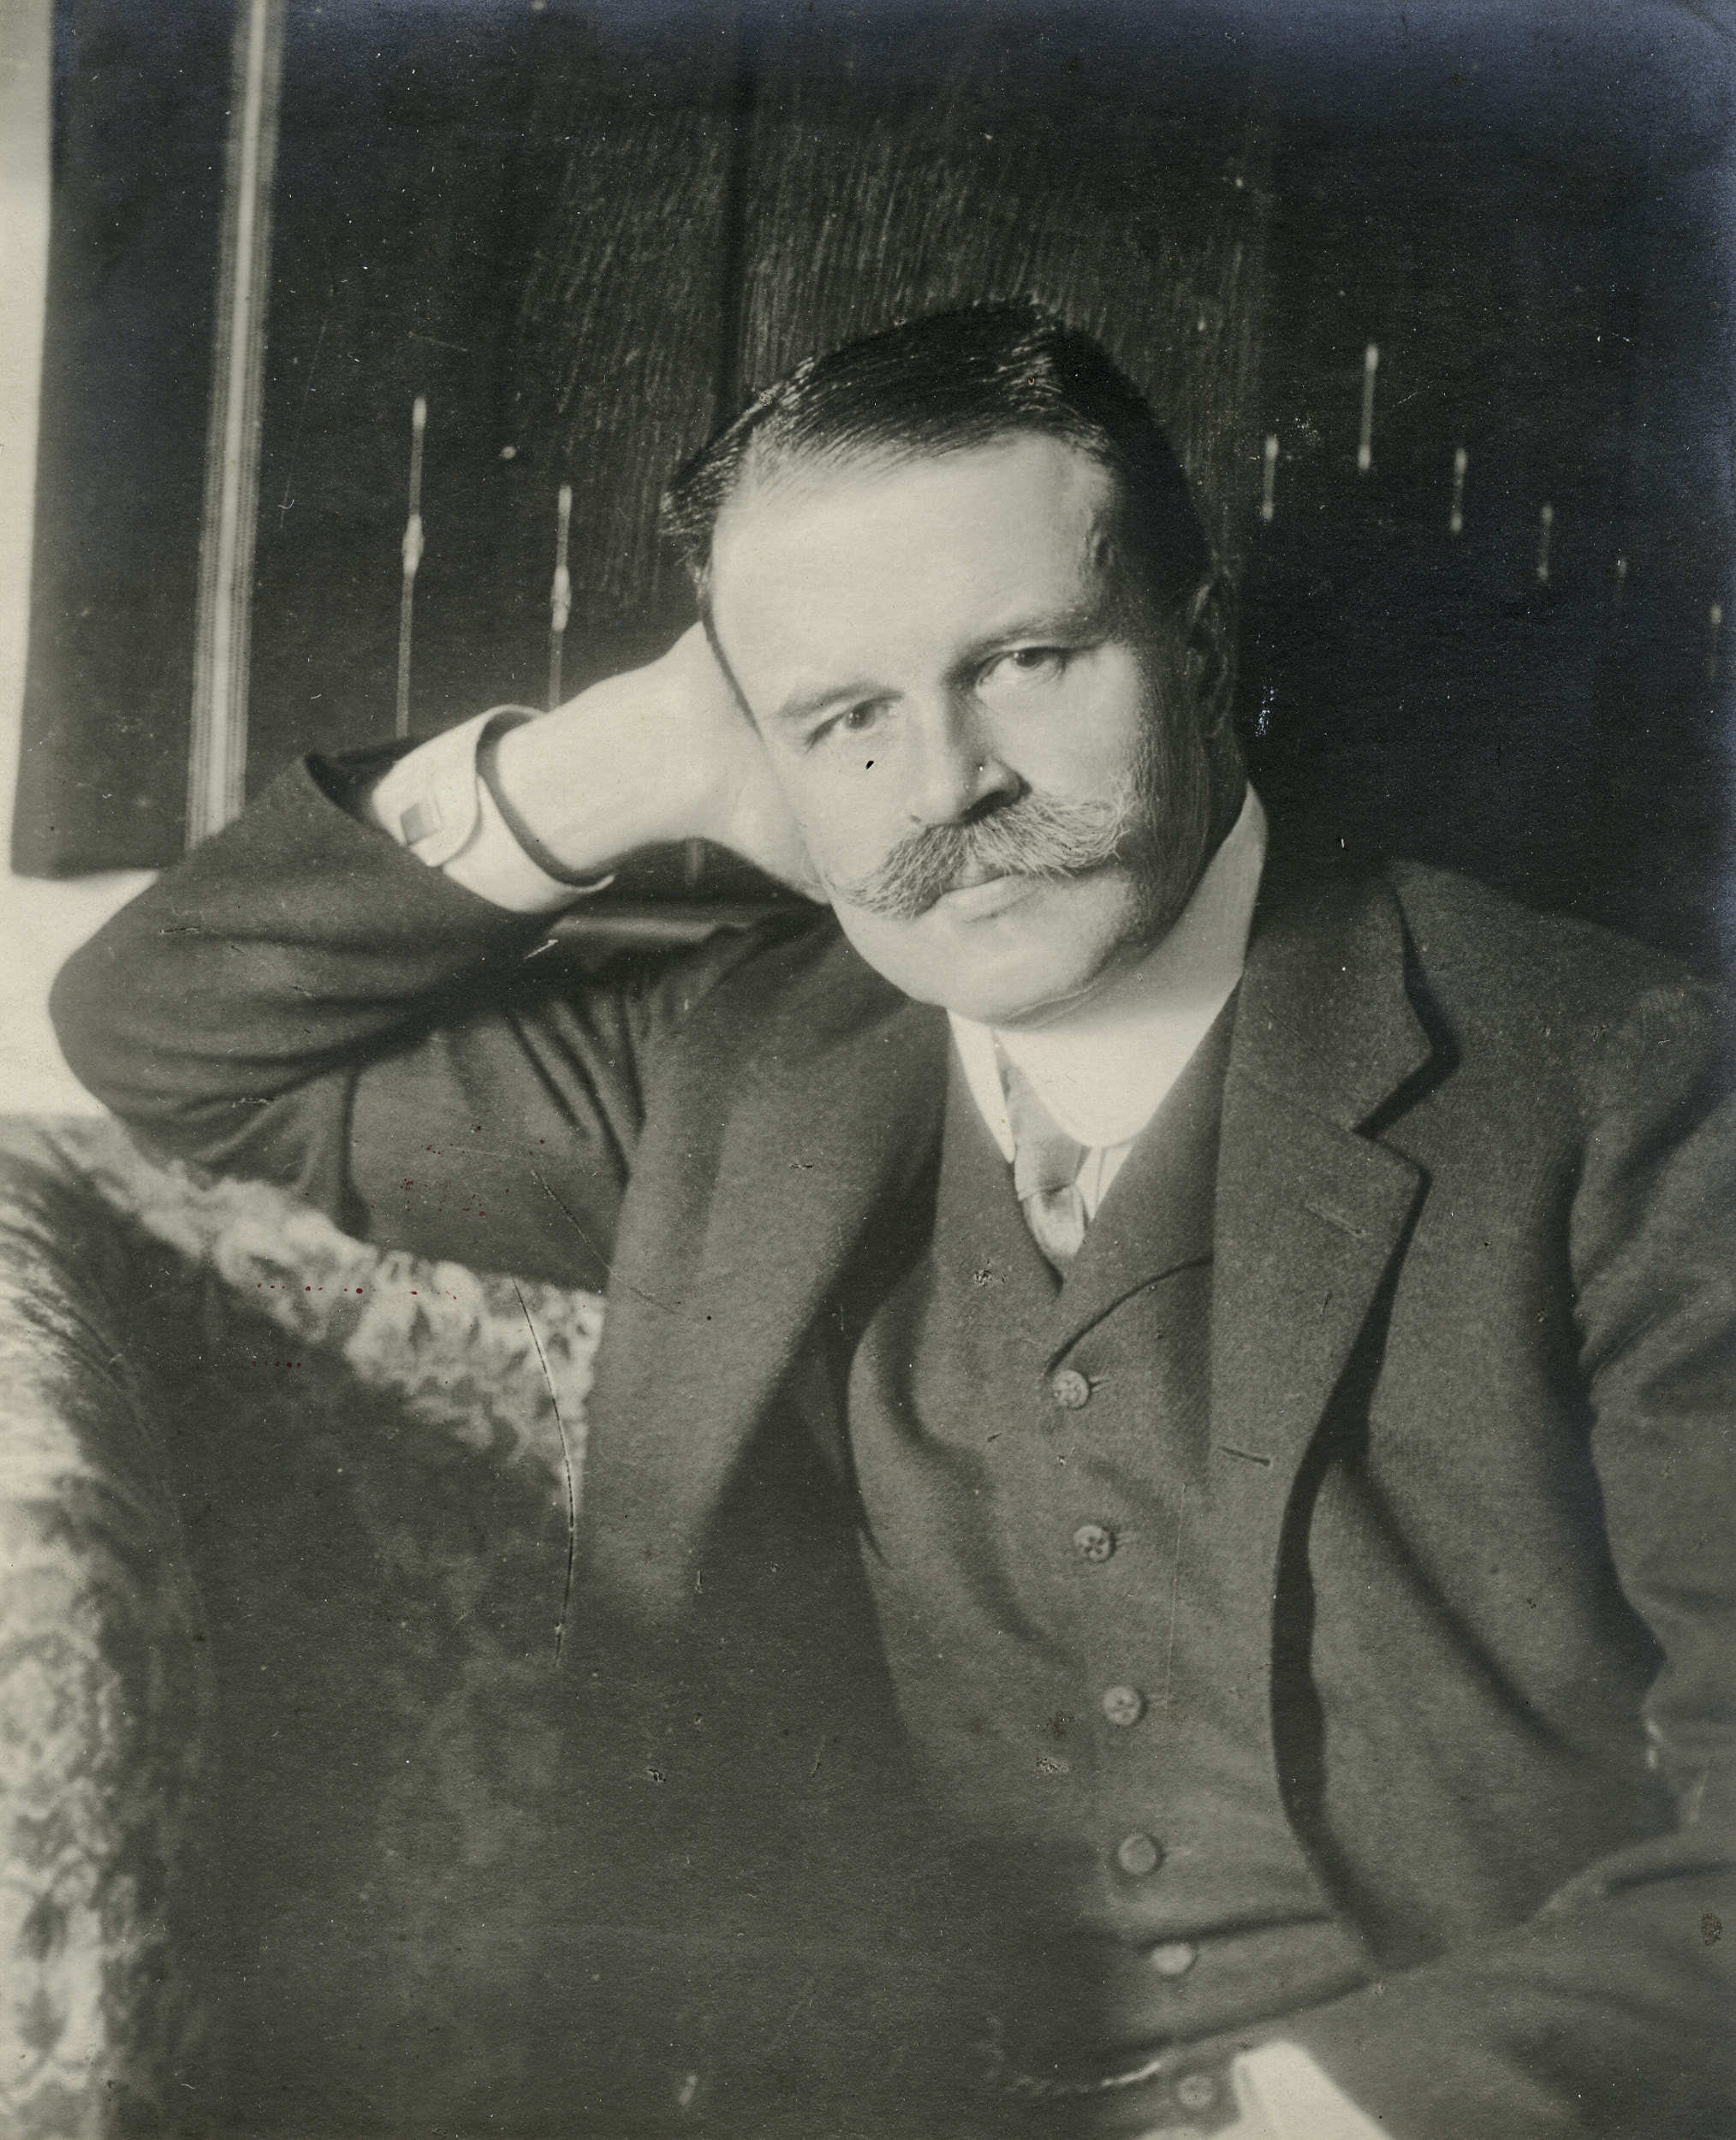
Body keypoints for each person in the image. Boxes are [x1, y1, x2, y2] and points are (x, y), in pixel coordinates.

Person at [53, 305, 1735, 2140]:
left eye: (1022, 662)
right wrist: (633, 753)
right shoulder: (739, 1066)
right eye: (846, 717)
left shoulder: (1625, 1083)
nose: (943, 786)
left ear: (1197, 650)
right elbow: (170, 1036)